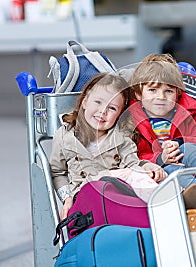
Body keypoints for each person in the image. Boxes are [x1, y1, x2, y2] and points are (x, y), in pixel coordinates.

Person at [49, 73, 167, 220]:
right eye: (98, 102)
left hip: (116, 194)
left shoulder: (121, 137)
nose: (102, 111)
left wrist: (148, 167)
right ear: (85, 101)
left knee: (141, 177)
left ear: (119, 115)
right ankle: (167, 204)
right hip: (84, 196)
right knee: (123, 176)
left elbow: (132, 165)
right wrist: (67, 199)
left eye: (111, 108)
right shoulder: (64, 136)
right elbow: (57, 172)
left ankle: (172, 200)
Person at [128, 54, 196, 213]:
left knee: (190, 149)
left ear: (177, 93)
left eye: (168, 91)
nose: (161, 97)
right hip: (160, 167)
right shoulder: (131, 119)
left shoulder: (189, 110)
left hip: (190, 158)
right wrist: (161, 158)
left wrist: (180, 144)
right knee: (170, 172)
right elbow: (132, 156)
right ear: (139, 94)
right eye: (152, 90)